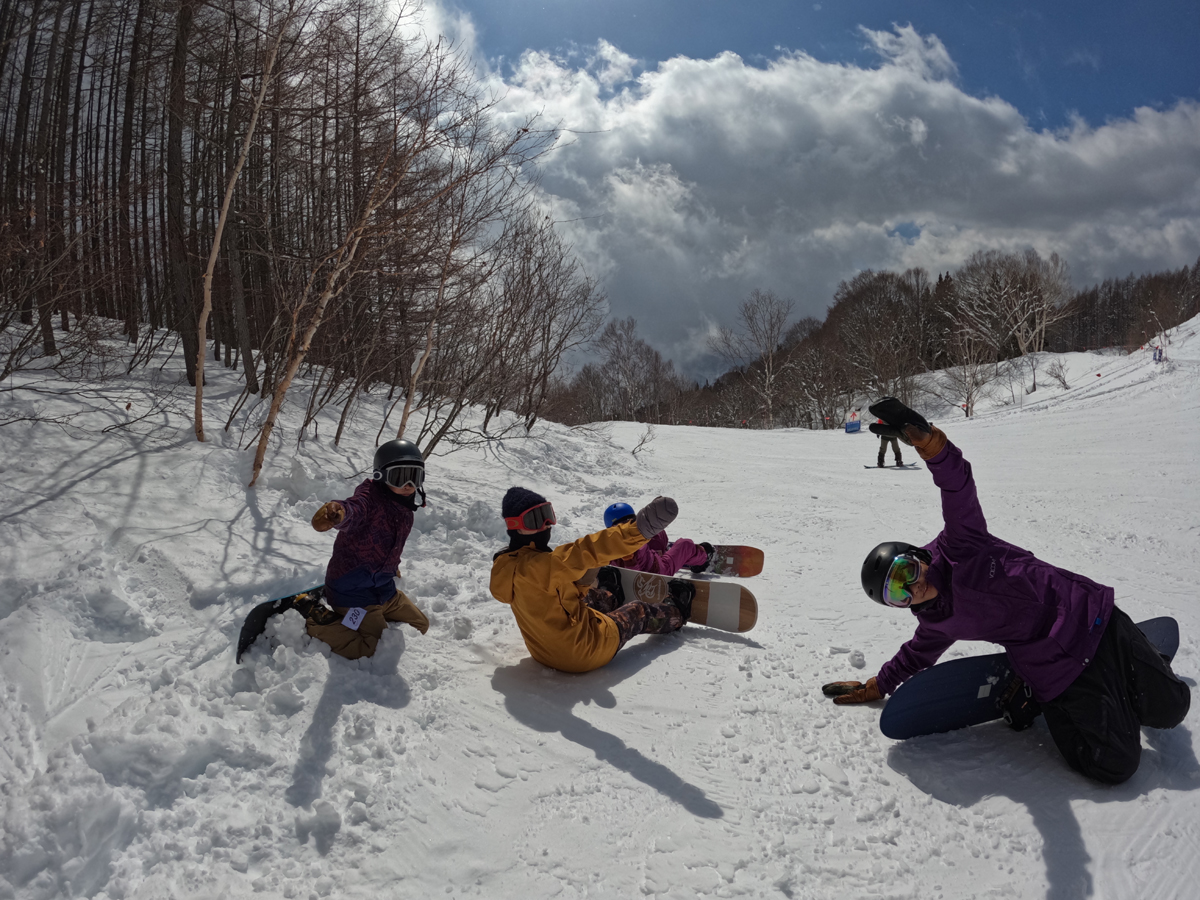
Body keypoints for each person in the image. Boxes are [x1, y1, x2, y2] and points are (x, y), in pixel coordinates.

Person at [823, 397, 1189, 784]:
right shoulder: (937, 624)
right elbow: (913, 657)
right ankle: (1046, 698)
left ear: (918, 556)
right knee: (1113, 765)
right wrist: (878, 685)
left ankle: (1128, 682)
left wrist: (933, 447)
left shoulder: (961, 542)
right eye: (897, 594)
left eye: (907, 571)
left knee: (1172, 709)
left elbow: (958, 485)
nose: (912, 588)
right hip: (1057, 669)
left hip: (1093, 615)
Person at [489, 488, 693, 673]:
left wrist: (583, 583)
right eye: (534, 519)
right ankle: (676, 611)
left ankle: (610, 595)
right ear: (514, 526)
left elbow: (560, 594)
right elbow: (588, 550)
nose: (546, 525)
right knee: (638, 611)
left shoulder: (504, 566)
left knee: (586, 596)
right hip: (583, 653)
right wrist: (638, 531)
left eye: (547, 514)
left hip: (543, 651)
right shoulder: (543, 566)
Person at [306, 439, 431, 659]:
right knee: (373, 650)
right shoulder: (369, 501)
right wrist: (338, 514)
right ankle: (314, 619)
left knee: (421, 625)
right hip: (352, 593)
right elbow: (354, 508)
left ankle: (376, 616)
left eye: (415, 476)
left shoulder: (405, 512)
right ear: (381, 476)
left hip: (384, 590)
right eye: (400, 476)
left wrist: (392, 569)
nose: (409, 485)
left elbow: (391, 546)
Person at [601, 501, 713, 575]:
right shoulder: (627, 550)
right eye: (623, 524)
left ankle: (663, 553)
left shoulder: (608, 543)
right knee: (685, 545)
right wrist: (630, 561)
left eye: (630, 521)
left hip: (651, 560)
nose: (628, 526)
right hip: (659, 573)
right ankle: (704, 558)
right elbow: (632, 577)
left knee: (656, 534)